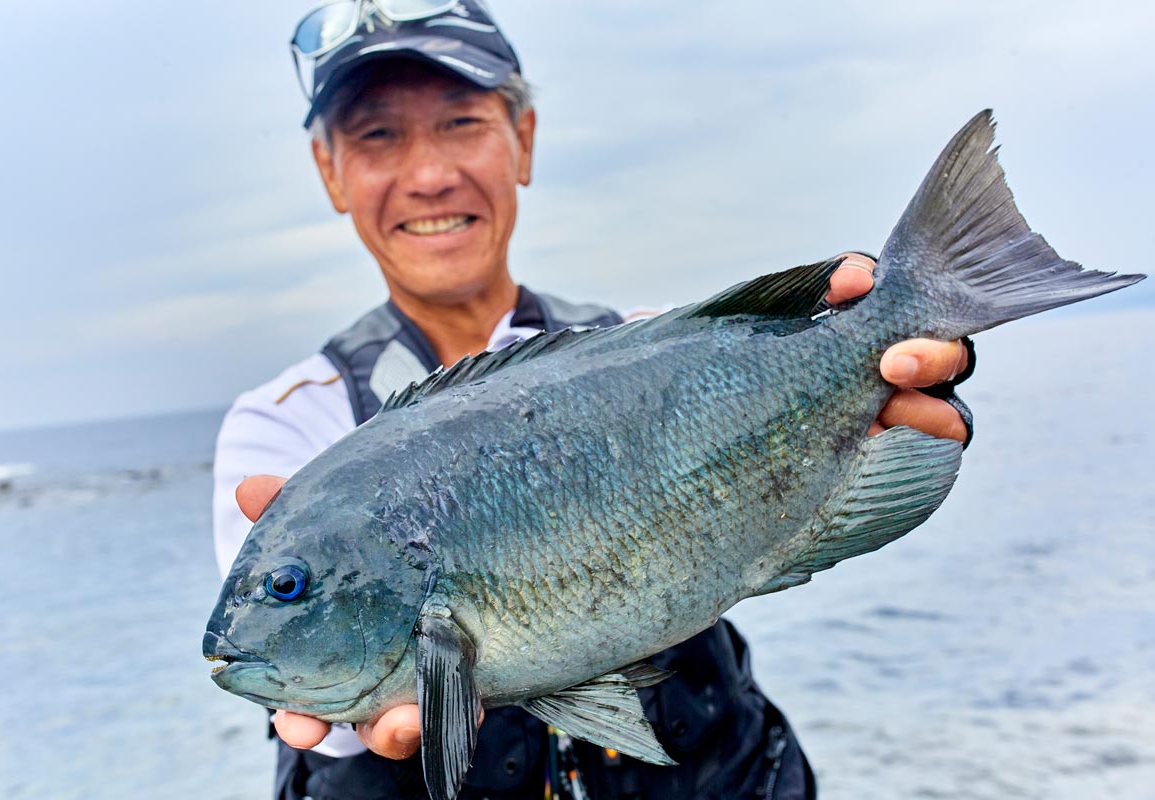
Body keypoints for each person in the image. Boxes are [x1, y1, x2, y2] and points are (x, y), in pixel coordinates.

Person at [212, 2, 972, 798]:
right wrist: (341, 702)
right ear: (330, 169)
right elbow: (318, 720)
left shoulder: (639, 348)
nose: (428, 173)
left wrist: (888, 376)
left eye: (461, 122)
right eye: (377, 135)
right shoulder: (289, 425)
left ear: (525, 141)